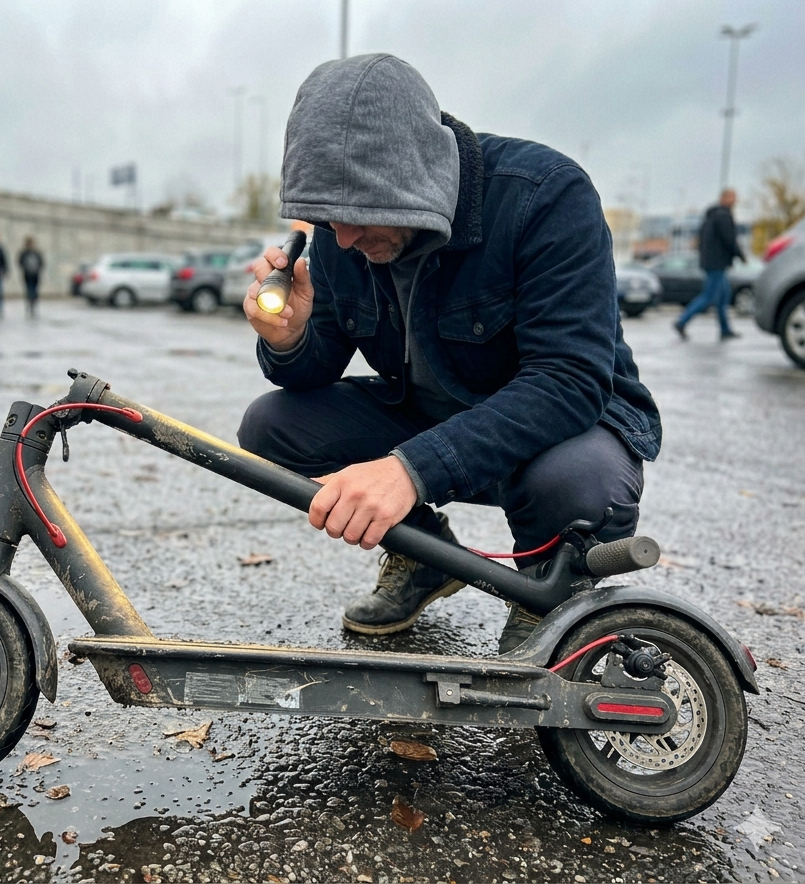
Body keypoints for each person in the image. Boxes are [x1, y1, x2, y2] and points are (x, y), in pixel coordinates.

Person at [236, 54, 661, 653]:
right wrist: (288, 339)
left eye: (360, 215)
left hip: (564, 433)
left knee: (577, 480)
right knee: (271, 426)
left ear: (417, 176)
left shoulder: (544, 196)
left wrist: (409, 470)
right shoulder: (340, 236)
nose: (346, 238)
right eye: (330, 219)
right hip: (434, 418)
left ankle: (550, 589)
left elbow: (568, 380)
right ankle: (425, 555)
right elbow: (316, 367)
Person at [674, 189, 746, 341]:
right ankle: (682, 321)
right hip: (717, 263)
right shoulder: (723, 216)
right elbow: (730, 239)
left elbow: (701, 240)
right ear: (725, 198)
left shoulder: (710, 215)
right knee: (709, 295)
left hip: (710, 262)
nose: (735, 201)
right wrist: (741, 255)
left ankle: (725, 329)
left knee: (723, 296)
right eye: (733, 197)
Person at [18, 237, 45, 319]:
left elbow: (41, 262)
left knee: (35, 291)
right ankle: (30, 305)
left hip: (35, 275)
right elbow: (20, 262)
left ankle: (33, 305)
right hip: (27, 275)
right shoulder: (24, 253)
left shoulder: (37, 253)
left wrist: (37, 269)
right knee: (29, 290)